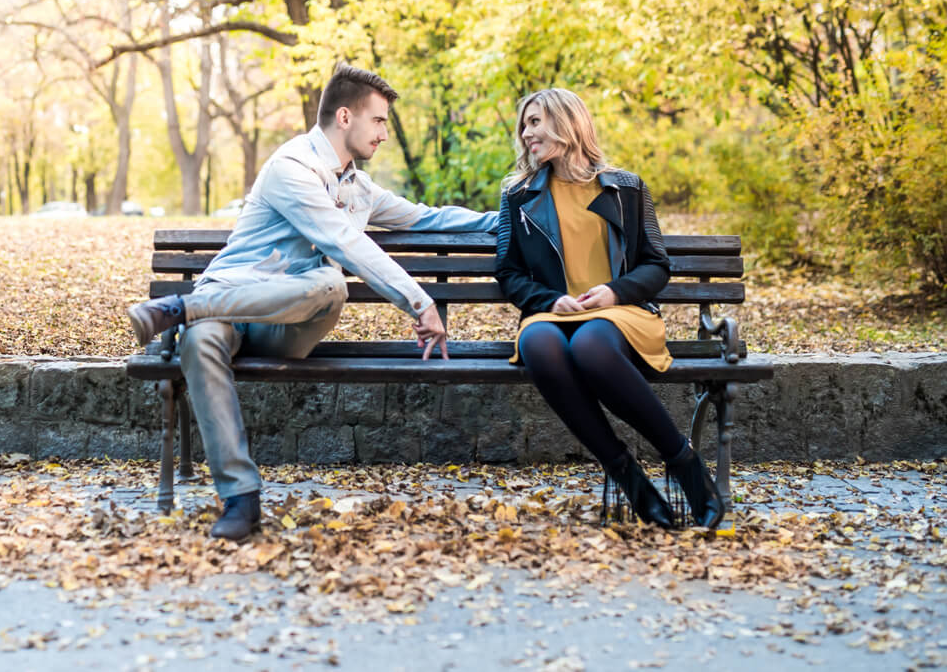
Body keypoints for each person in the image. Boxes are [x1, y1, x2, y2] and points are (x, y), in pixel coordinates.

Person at [128, 64, 496, 540]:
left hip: (284, 323)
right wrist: (420, 303)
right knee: (200, 344)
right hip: (229, 305)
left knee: (329, 285)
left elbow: (427, 218)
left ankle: (183, 309)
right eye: (379, 121)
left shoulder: (358, 187)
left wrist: (501, 218)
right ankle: (241, 499)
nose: (385, 133)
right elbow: (345, 241)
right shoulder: (291, 168)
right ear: (345, 117)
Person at [494, 88, 724, 529]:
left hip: (620, 314)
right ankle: (626, 474)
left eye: (535, 122)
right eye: (524, 124)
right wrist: (548, 300)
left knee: (591, 343)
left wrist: (615, 293)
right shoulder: (518, 194)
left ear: (567, 122)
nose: (525, 134)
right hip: (553, 313)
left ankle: (684, 465)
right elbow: (508, 272)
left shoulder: (625, 187)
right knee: (539, 343)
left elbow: (656, 264)